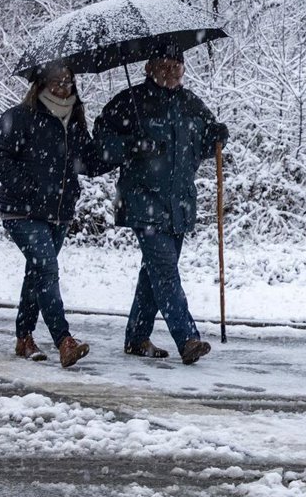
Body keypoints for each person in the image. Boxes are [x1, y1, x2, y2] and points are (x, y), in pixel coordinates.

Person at [94, 48, 228, 365]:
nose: (172, 72)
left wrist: (218, 136)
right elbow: (101, 143)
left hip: (179, 203)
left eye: (177, 66)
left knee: (154, 273)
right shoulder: (130, 102)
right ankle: (187, 338)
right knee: (165, 271)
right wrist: (132, 146)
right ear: (150, 67)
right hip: (142, 200)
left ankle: (137, 338)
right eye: (165, 66)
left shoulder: (192, 104)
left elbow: (204, 148)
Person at [0, 61, 101, 368]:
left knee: (37, 274)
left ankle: (24, 338)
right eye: (56, 82)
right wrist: (28, 186)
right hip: (21, 212)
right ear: (40, 86)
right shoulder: (19, 117)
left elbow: (90, 164)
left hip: (60, 213)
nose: (63, 88)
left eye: (68, 83)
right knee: (47, 270)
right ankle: (64, 340)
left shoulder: (74, 123)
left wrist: (114, 136)